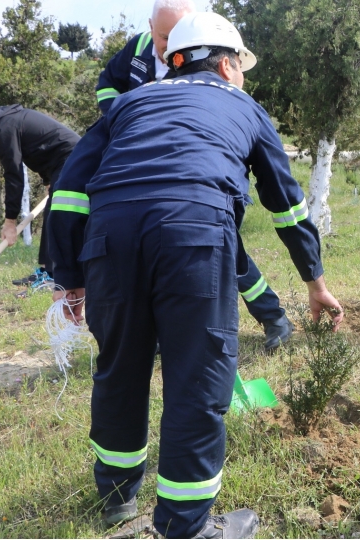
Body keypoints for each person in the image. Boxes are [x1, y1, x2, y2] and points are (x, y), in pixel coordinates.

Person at [48, 12, 345, 538]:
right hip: (192, 232)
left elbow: (70, 188)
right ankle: (186, 526)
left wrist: (69, 277)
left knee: (119, 366)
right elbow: (289, 207)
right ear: (228, 65)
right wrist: (315, 282)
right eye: (243, 68)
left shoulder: (129, 103)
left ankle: (117, 494)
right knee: (196, 374)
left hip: (110, 240)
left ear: (175, 62)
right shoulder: (244, 106)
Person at [96, 0, 293, 351]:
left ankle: (272, 316)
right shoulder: (137, 49)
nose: (168, 43)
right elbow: (107, 84)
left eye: (176, 35)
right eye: (162, 36)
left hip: (197, 179)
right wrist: (120, 116)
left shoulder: (211, 64)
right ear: (150, 27)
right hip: (146, 169)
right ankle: (161, 333)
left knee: (227, 254)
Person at [0, 97, 80, 288]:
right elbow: (40, 148)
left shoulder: (2, 128)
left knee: (57, 215)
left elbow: (14, 175)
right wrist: (48, 181)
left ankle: (53, 276)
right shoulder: (5, 121)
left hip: (73, 159)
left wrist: (10, 222)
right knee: (53, 213)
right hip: (63, 162)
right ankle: (47, 272)